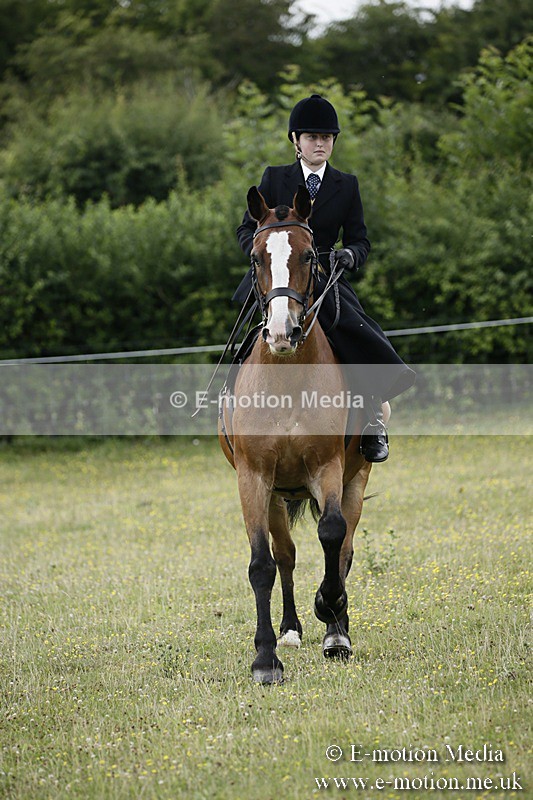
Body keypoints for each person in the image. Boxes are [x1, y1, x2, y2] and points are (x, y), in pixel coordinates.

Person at [233, 94, 415, 462]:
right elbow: (245, 229)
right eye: (313, 137)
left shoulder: (346, 184)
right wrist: (265, 255)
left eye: (327, 138)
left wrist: (350, 254)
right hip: (280, 277)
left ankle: (371, 422)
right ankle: (228, 410)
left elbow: (360, 239)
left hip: (326, 278)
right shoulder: (274, 177)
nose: (321, 144)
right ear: (296, 141)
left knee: (355, 333)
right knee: (243, 336)